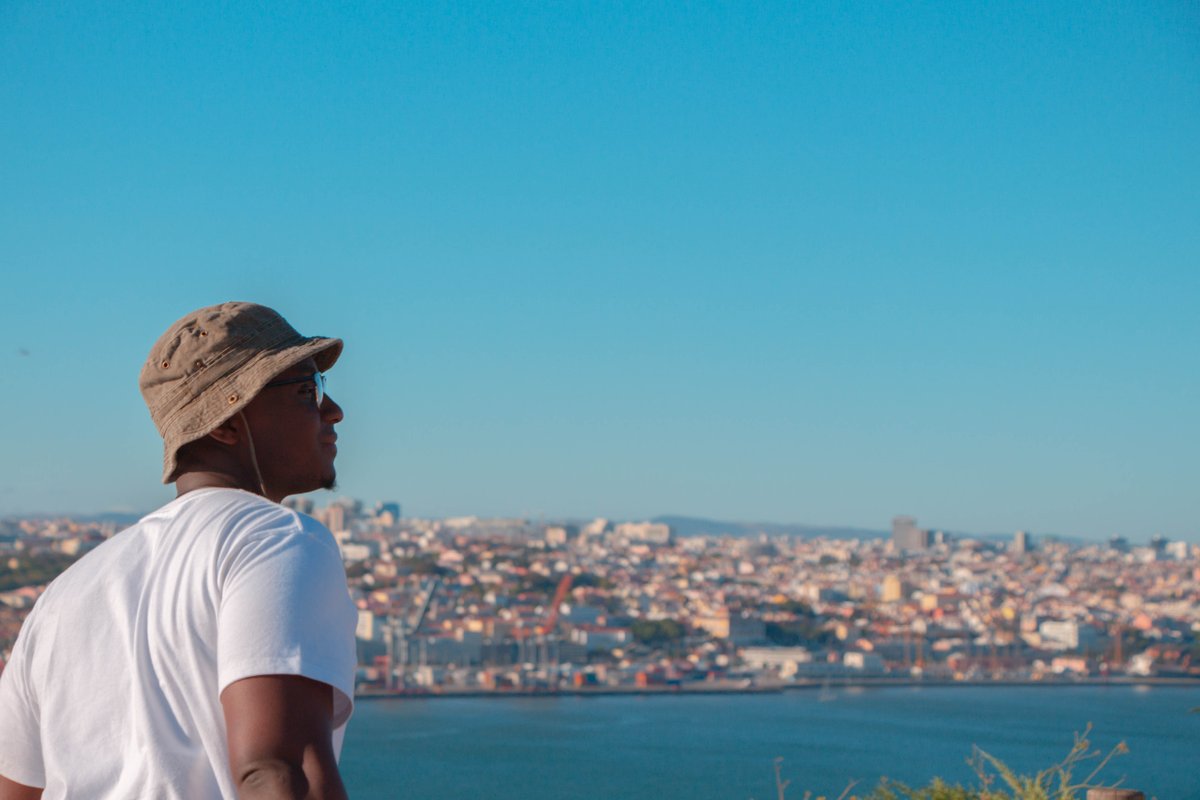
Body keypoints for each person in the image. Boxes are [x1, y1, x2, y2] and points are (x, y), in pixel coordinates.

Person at [0, 302, 358, 799]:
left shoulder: (62, 596)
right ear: (225, 424)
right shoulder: (275, 540)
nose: (333, 410)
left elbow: (15, 791)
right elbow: (278, 770)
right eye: (306, 390)